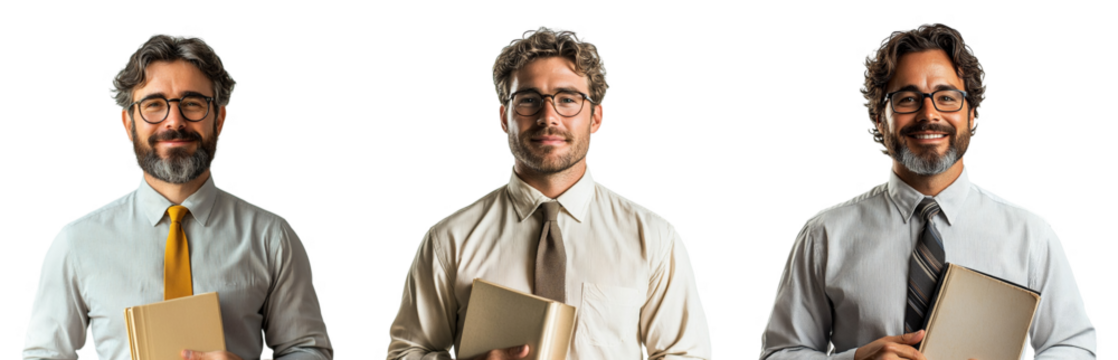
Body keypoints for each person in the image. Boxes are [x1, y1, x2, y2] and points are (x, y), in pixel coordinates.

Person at [756, 23, 1097, 359]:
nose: (929, 114)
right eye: (907, 99)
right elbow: (780, 353)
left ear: (972, 113)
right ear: (879, 116)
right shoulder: (825, 234)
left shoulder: (1030, 234)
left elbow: (1073, 347)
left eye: (947, 98)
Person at [384, 25, 714, 360]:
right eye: (528, 99)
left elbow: (687, 356)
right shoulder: (449, 240)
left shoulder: (654, 238)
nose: (548, 117)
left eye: (567, 99)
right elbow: (405, 354)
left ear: (596, 117)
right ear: (503, 116)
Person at [20, 33, 334, 360]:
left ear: (220, 117)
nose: (174, 121)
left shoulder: (272, 238)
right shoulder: (76, 242)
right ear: (127, 122)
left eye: (192, 104)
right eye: (154, 104)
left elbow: (308, 351)